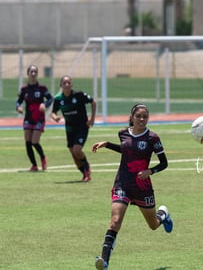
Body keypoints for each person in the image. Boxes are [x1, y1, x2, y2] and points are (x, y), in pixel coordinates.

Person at [92, 103, 173, 270]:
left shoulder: (153, 138)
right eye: (138, 116)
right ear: (132, 117)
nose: (142, 119)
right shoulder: (122, 133)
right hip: (122, 183)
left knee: (152, 225)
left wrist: (150, 171)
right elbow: (126, 150)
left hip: (142, 187)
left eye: (145, 116)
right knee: (115, 221)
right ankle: (104, 261)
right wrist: (107, 144)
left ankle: (163, 215)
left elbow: (164, 163)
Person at [50, 75, 96, 182]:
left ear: (72, 84)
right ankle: (84, 173)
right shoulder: (58, 99)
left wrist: (92, 119)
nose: (66, 85)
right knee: (73, 152)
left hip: (82, 126)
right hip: (69, 128)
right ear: (61, 85)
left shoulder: (79, 95)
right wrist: (55, 117)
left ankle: (87, 167)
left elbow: (93, 102)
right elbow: (53, 112)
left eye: (68, 82)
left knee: (77, 150)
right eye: (64, 83)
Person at [16, 65, 53, 171]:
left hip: (39, 118)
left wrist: (45, 104)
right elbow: (19, 101)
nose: (33, 74)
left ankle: (43, 158)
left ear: (37, 74)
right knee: (27, 141)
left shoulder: (42, 88)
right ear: (28, 74)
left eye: (35, 72)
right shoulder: (24, 89)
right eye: (31, 72)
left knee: (34, 141)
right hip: (28, 117)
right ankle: (34, 165)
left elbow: (50, 98)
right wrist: (18, 106)